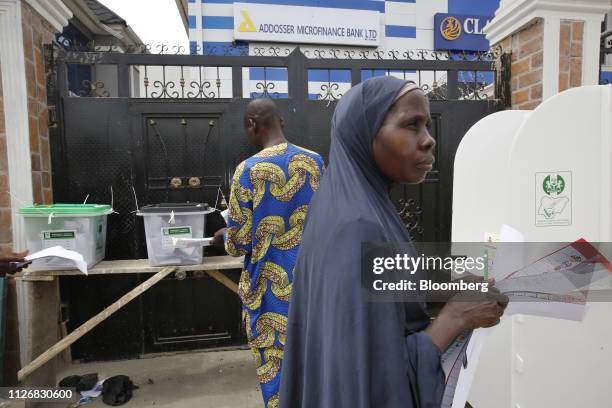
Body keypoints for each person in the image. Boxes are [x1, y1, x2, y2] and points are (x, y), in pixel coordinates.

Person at [279, 77, 508, 408]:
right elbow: (376, 385)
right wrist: (455, 317)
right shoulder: (359, 225)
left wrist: (448, 289)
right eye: (411, 125)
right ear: (364, 133)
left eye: (427, 125)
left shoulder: (347, 203)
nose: (429, 140)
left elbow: (378, 296)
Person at [212, 98, 324, 408]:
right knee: (315, 363)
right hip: (313, 286)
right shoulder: (314, 161)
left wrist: (221, 237)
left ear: (252, 126)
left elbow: (240, 242)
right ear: (281, 123)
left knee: (276, 371)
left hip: (269, 292)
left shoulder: (247, 171)